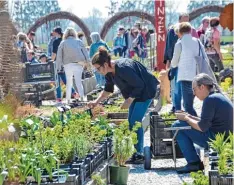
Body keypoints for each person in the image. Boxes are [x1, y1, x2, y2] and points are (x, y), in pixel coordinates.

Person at [88, 47, 159, 163]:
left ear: (105, 64)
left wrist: (129, 100)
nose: (98, 71)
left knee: (135, 121)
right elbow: (108, 90)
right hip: (136, 93)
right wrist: (96, 102)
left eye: (98, 68)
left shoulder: (123, 68)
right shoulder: (109, 73)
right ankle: (136, 151)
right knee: (131, 121)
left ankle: (139, 153)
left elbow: (140, 85)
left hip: (146, 90)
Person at [173, 73, 233, 174]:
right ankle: (194, 160)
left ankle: (193, 163)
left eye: (194, 89)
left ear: (202, 87)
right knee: (182, 122)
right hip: (226, 137)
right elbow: (206, 121)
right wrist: (189, 116)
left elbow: (202, 127)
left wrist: (186, 118)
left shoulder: (209, 100)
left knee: (177, 125)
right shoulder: (218, 96)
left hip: (216, 139)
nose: (193, 93)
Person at [164, 13, 198, 114]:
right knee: (176, 87)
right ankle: (176, 107)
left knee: (187, 88)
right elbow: (169, 46)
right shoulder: (172, 30)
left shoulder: (192, 30)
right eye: (184, 20)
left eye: (187, 20)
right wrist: (168, 61)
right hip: (177, 64)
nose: (186, 22)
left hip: (187, 64)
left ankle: (186, 109)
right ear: (179, 20)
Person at [170, 22, 199, 116]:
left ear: (180, 32)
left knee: (187, 105)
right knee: (190, 103)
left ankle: (197, 126)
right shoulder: (196, 41)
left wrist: (174, 66)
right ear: (190, 30)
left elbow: (174, 62)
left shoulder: (179, 43)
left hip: (185, 76)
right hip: (196, 75)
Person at [56, 27, 90, 103]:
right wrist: (88, 63)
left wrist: (59, 67)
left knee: (69, 82)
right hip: (79, 63)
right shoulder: (79, 41)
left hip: (68, 64)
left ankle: (68, 99)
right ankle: (82, 98)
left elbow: (59, 56)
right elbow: (85, 53)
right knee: (79, 81)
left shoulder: (63, 43)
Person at [51, 27, 76, 102]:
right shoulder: (65, 40)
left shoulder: (56, 42)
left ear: (56, 32)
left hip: (58, 63)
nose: (53, 33)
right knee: (64, 79)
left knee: (57, 80)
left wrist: (51, 61)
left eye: (53, 32)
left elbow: (54, 53)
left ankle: (59, 97)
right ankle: (73, 92)